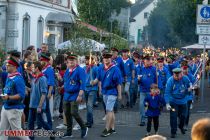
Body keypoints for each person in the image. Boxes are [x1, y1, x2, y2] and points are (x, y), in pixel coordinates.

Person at [0, 57, 29, 140]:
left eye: (8, 65)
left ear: (14, 67)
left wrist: (8, 97)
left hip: (14, 109)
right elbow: (7, 89)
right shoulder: (9, 76)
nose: (6, 66)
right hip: (6, 107)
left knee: (17, 132)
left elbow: (21, 95)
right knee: (2, 130)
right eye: (6, 65)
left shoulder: (18, 79)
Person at [61, 53, 88, 138]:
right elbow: (66, 81)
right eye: (69, 62)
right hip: (66, 94)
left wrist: (80, 95)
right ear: (67, 63)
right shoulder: (67, 70)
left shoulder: (80, 70)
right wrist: (62, 86)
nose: (71, 63)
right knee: (67, 113)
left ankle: (84, 127)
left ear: (76, 61)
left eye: (73, 61)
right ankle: (69, 132)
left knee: (74, 112)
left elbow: (83, 83)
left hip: (75, 94)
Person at [95, 52, 122, 137]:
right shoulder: (101, 68)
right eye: (105, 58)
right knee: (111, 111)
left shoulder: (115, 69)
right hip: (104, 92)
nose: (106, 59)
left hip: (112, 92)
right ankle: (112, 128)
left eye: (108, 58)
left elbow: (118, 83)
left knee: (108, 110)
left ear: (111, 59)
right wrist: (93, 82)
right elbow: (98, 79)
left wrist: (120, 94)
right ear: (103, 59)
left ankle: (107, 129)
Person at [28, 61, 54, 140]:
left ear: (37, 68)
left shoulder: (42, 78)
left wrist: (40, 106)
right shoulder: (34, 78)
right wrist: (25, 87)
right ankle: (31, 138)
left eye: (33, 67)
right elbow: (32, 90)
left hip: (38, 105)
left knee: (42, 122)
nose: (32, 69)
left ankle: (51, 133)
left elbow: (43, 94)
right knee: (30, 123)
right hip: (32, 104)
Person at [164, 68, 192, 138]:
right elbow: (167, 92)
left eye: (178, 75)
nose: (176, 77)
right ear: (173, 74)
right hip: (173, 101)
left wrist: (190, 89)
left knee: (183, 116)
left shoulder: (185, 78)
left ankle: (181, 126)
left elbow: (189, 86)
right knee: (173, 117)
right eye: (175, 76)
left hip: (183, 101)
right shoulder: (170, 80)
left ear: (181, 74)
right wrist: (167, 103)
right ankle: (173, 132)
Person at [138, 55, 157, 126]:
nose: (148, 62)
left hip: (151, 91)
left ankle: (151, 118)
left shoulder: (153, 69)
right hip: (142, 90)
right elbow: (138, 80)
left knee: (151, 105)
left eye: (149, 60)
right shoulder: (141, 69)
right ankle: (143, 119)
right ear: (144, 61)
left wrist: (156, 89)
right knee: (141, 104)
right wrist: (139, 80)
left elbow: (156, 80)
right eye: (147, 60)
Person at [39, 53, 55, 129]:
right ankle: (41, 124)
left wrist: (49, 92)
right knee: (42, 108)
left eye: (42, 61)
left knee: (46, 109)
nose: (40, 62)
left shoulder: (49, 70)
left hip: (46, 90)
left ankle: (49, 125)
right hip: (41, 91)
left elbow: (51, 82)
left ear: (45, 62)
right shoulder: (42, 69)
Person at [84, 55, 98, 128]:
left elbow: (98, 78)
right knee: (88, 106)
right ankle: (90, 120)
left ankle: (89, 122)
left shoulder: (95, 68)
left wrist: (94, 81)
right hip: (85, 89)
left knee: (89, 106)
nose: (86, 61)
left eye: (88, 59)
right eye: (86, 59)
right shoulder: (84, 68)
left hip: (92, 89)